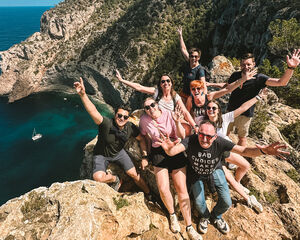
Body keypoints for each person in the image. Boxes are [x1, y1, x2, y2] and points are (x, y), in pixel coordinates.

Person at [158, 120, 289, 235]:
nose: (204, 139)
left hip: (215, 170)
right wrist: (169, 150)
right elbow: (173, 151)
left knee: (227, 202)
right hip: (196, 173)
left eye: (208, 136)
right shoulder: (191, 140)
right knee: (199, 203)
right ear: (198, 133)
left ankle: (216, 216)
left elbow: (244, 151)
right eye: (201, 135)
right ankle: (205, 216)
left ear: (215, 137)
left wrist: (263, 151)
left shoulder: (220, 143)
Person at [74, 77, 151, 196]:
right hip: (101, 154)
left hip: (119, 153)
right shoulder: (106, 124)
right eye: (119, 115)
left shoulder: (130, 127)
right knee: (98, 178)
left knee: (134, 174)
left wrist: (144, 157)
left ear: (128, 119)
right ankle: (116, 179)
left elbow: (141, 139)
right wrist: (83, 95)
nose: (121, 119)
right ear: (115, 115)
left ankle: (148, 193)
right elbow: (93, 111)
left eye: (125, 117)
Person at [139, 97, 202, 240]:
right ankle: (172, 215)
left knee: (181, 188)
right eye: (147, 107)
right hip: (158, 152)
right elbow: (143, 137)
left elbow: (181, 135)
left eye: (152, 105)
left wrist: (178, 121)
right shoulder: (143, 121)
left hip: (174, 148)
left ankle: (189, 226)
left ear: (157, 104)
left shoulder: (169, 114)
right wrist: (145, 155)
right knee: (162, 187)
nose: (150, 109)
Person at [205, 90, 267, 213]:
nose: (211, 110)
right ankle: (248, 199)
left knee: (245, 166)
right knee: (230, 179)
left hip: (227, 150)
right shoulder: (204, 123)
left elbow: (243, 108)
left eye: (214, 108)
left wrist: (258, 97)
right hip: (215, 155)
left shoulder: (225, 118)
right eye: (208, 108)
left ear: (218, 110)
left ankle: (238, 183)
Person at [227, 49, 300, 146]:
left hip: (246, 114)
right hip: (231, 110)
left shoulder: (259, 78)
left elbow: (281, 82)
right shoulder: (235, 75)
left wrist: (291, 68)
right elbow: (227, 88)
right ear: (240, 65)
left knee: (242, 137)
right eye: (243, 64)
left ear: (254, 64)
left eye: (248, 64)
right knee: (224, 133)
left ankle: (239, 158)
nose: (246, 67)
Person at [116, 70, 197, 130]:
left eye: (168, 81)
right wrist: (122, 80)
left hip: (168, 120)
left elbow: (185, 112)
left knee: (187, 128)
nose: (166, 83)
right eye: (163, 81)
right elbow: (139, 87)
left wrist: (195, 126)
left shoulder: (175, 96)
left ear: (171, 83)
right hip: (154, 118)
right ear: (160, 85)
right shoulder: (156, 92)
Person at [186, 67, 257, 128]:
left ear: (202, 89)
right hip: (197, 126)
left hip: (210, 126)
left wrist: (243, 80)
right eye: (193, 89)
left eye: (198, 88)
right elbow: (188, 113)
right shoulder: (190, 100)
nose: (196, 91)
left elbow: (227, 89)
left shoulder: (209, 97)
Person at [177, 26, 207, 102]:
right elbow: (183, 49)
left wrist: (204, 97)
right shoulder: (189, 61)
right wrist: (180, 36)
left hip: (192, 97)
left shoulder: (200, 70)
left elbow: (203, 84)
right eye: (192, 56)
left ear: (199, 58)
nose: (193, 58)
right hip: (183, 94)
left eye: (196, 57)